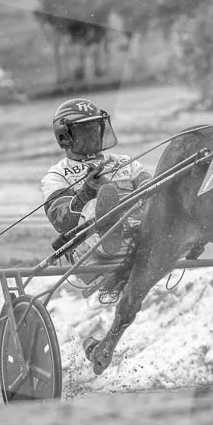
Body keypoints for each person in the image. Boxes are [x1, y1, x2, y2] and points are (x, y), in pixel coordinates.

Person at [40, 98, 151, 298]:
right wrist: (86, 193)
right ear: (65, 137)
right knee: (93, 205)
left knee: (155, 195)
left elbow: (149, 186)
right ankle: (112, 233)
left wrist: (149, 194)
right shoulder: (57, 175)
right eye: (84, 131)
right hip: (91, 251)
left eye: (95, 128)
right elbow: (62, 220)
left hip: (140, 233)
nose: (92, 135)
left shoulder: (126, 162)